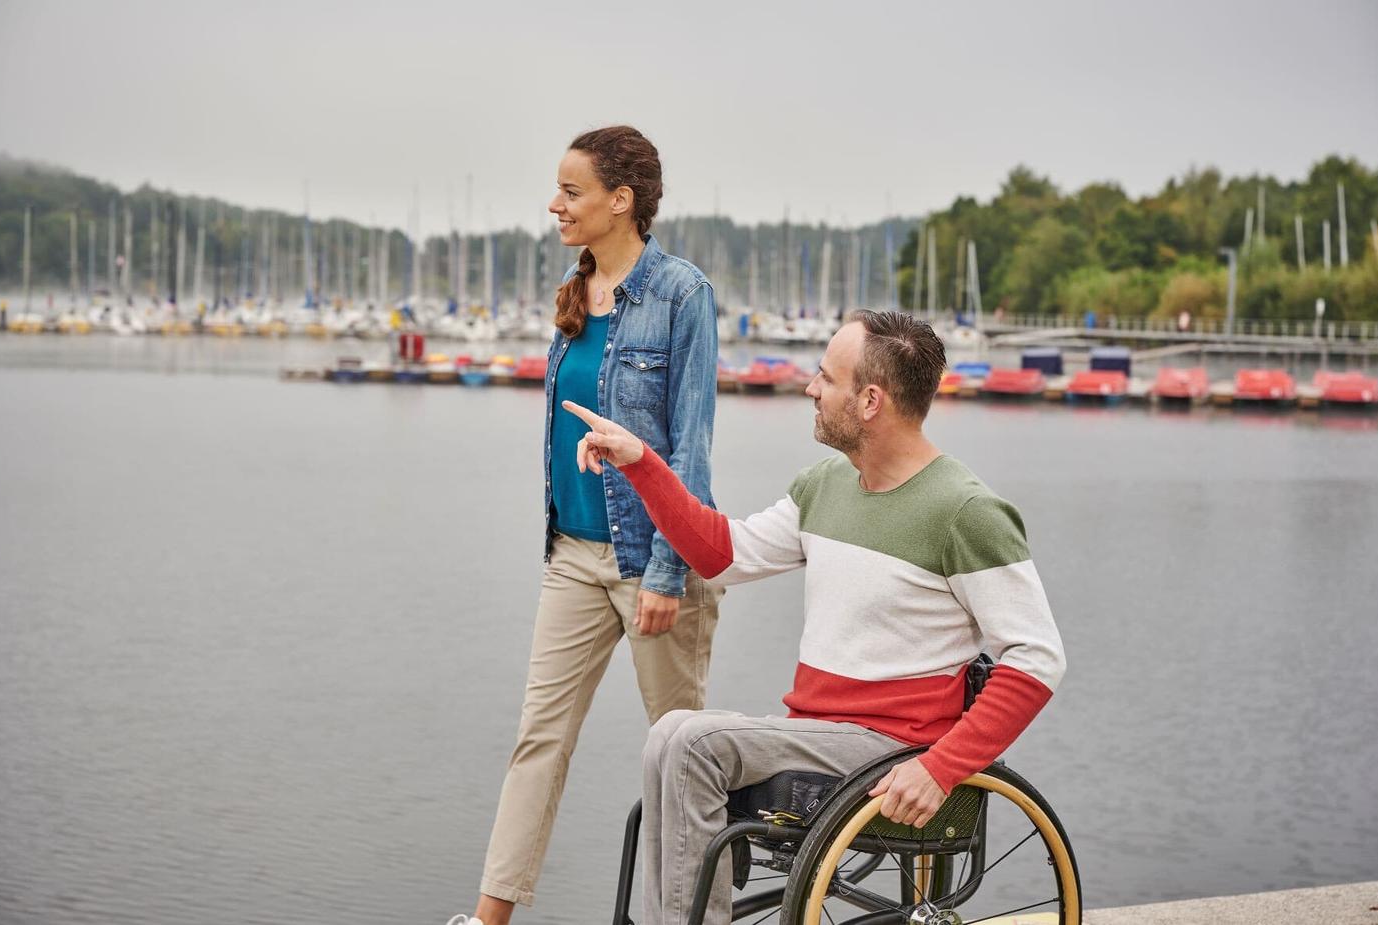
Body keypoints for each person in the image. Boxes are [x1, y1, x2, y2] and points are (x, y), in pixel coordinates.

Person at [563, 309, 1066, 925]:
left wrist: (940, 767)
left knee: (693, 741)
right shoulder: (828, 485)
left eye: (827, 378)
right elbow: (720, 555)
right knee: (671, 731)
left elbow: (1037, 657)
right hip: (821, 734)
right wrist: (641, 461)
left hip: (889, 749)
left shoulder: (965, 512)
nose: (811, 388)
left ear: (871, 401)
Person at [446, 126, 723, 925]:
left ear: (621, 201)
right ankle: (489, 920)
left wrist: (670, 572)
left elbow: (692, 444)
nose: (555, 204)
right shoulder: (577, 291)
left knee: (684, 761)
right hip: (571, 554)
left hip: (651, 564)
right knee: (539, 738)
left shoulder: (681, 294)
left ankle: (710, 916)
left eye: (571, 191)